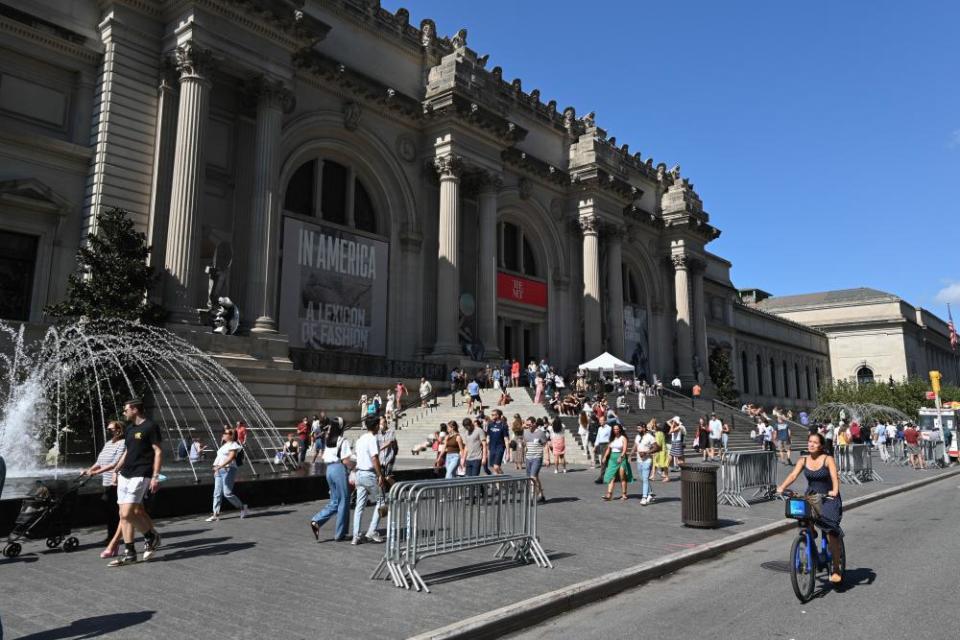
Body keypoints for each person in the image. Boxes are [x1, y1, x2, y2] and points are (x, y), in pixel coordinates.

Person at [776, 433, 844, 584]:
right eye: (809, 441)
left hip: (828, 498)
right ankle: (810, 531)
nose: (811, 444)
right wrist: (782, 487)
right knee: (802, 516)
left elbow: (834, 477)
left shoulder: (828, 459)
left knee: (831, 532)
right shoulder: (803, 459)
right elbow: (793, 475)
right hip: (812, 497)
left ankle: (836, 568)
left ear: (820, 445)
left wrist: (834, 490)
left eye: (815, 442)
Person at [102, 399, 163, 567]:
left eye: (126, 409)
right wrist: (115, 470)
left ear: (135, 410)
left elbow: (158, 451)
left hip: (141, 473)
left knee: (128, 513)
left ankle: (151, 536)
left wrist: (156, 476)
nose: (124, 412)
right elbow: (127, 452)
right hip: (125, 474)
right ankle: (130, 553)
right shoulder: (129, 429)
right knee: (123, 515)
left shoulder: (150, 426)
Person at [82, 420, 126, 558]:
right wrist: (89, 470)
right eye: (108, 429)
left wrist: (95, 473)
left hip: (117, 481)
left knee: (113, 510)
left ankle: (114, 538)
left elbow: (115, 464)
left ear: (119, 430)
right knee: (109, 509)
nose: (109, 431)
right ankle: (112, 536)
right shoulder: (108, 444)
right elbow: (99, 462)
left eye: (111, 429)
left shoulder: (123, 443)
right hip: (106, 482)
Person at [310, 422, 352, 542]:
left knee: (335, 501)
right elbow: (346, 460)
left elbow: (323, 456)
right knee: (344, 500)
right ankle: (340, 534)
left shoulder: (328, 441)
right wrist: (355, 467)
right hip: (339, 469)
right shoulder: (342, 441)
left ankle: (316, 520)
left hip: (329, 470)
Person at [352, 420, 387, 545]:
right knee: (382, 500)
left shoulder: (361, 439)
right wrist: (380, 475)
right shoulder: (372, 439)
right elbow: (374, 458)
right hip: (369, 474)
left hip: (359, 474)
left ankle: (356, 536)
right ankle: (372, 531)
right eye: (380, 424)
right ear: (376, 426)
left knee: (359, 505)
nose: (381, 426)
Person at [207, 427, 249, 522]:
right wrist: (216, 468)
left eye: (225, 433)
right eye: (224, 433)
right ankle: (215, 514)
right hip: (219, 470)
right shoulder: (223, 445)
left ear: (231, 435)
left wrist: (220, 466)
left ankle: (243, 507)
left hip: (228, 470)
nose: (223, 434)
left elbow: (231, 458)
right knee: (217, 493)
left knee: (227, 493)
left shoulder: (234, 445)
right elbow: (219, 458)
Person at [602, 423, 633, 500]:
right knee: (611, 477)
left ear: (620, 429)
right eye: (614, 429)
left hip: (621, 458)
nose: (616, 430)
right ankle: (609, 495)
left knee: (622, 476)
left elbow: (625, 449)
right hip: (612, 458)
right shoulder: (612, 438)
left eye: (617, 429)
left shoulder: (623, 438)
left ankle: (624, 494)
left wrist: (621, 456)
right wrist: (605, 457)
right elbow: (609, 449)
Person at [522, 417, 548, 503]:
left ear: (534, 423)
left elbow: (545, 445)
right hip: (528, 458)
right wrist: (523, 446)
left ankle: (532, 496)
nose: (528, 426)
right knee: (534, 477)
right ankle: (541, 495)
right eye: (527, 425)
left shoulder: (540, 433)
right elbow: (525, 443)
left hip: (537, 457)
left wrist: (547, 459)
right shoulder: (525, 432)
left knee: (533, 477)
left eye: (529, 425)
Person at [633, 422, 659, 505]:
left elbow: (657, 447)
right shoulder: (637, 436)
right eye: (637, 428)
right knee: (642, 478)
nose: (638, 430)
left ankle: (644, 497)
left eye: (639, 428)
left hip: (647, 460)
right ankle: (650, 493)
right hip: (639, 460)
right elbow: (635, 445)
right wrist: (630, 454)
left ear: (644, 428)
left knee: (644, 478)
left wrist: (646, 452)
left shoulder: (650, 437)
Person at [486, 410, 509, 474]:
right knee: (494, 467)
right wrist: (486, 447)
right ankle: (499, 481)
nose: (492, 416)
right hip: (492, 447)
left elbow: (506, 439)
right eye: (491, 414)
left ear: (498, 415)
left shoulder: (503, 425)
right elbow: (488, 436)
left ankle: (502, 477)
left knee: (496, 467)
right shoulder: (490, 424)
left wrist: (508, 453)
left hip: (500, 447)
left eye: (493, 415)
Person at [593, 416, 612, 480]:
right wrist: (595, 446)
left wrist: (609, 445)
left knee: (603, 461)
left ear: (605, 421)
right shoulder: (599, 428)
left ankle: (602, 476)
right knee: (605, 461)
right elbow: (598, 438)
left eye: (602, 420)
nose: (600, 421)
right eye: (600, 420)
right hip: (601, 445)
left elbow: (610, 437)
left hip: (606, 445)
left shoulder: (609, 428)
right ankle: (610, 475)